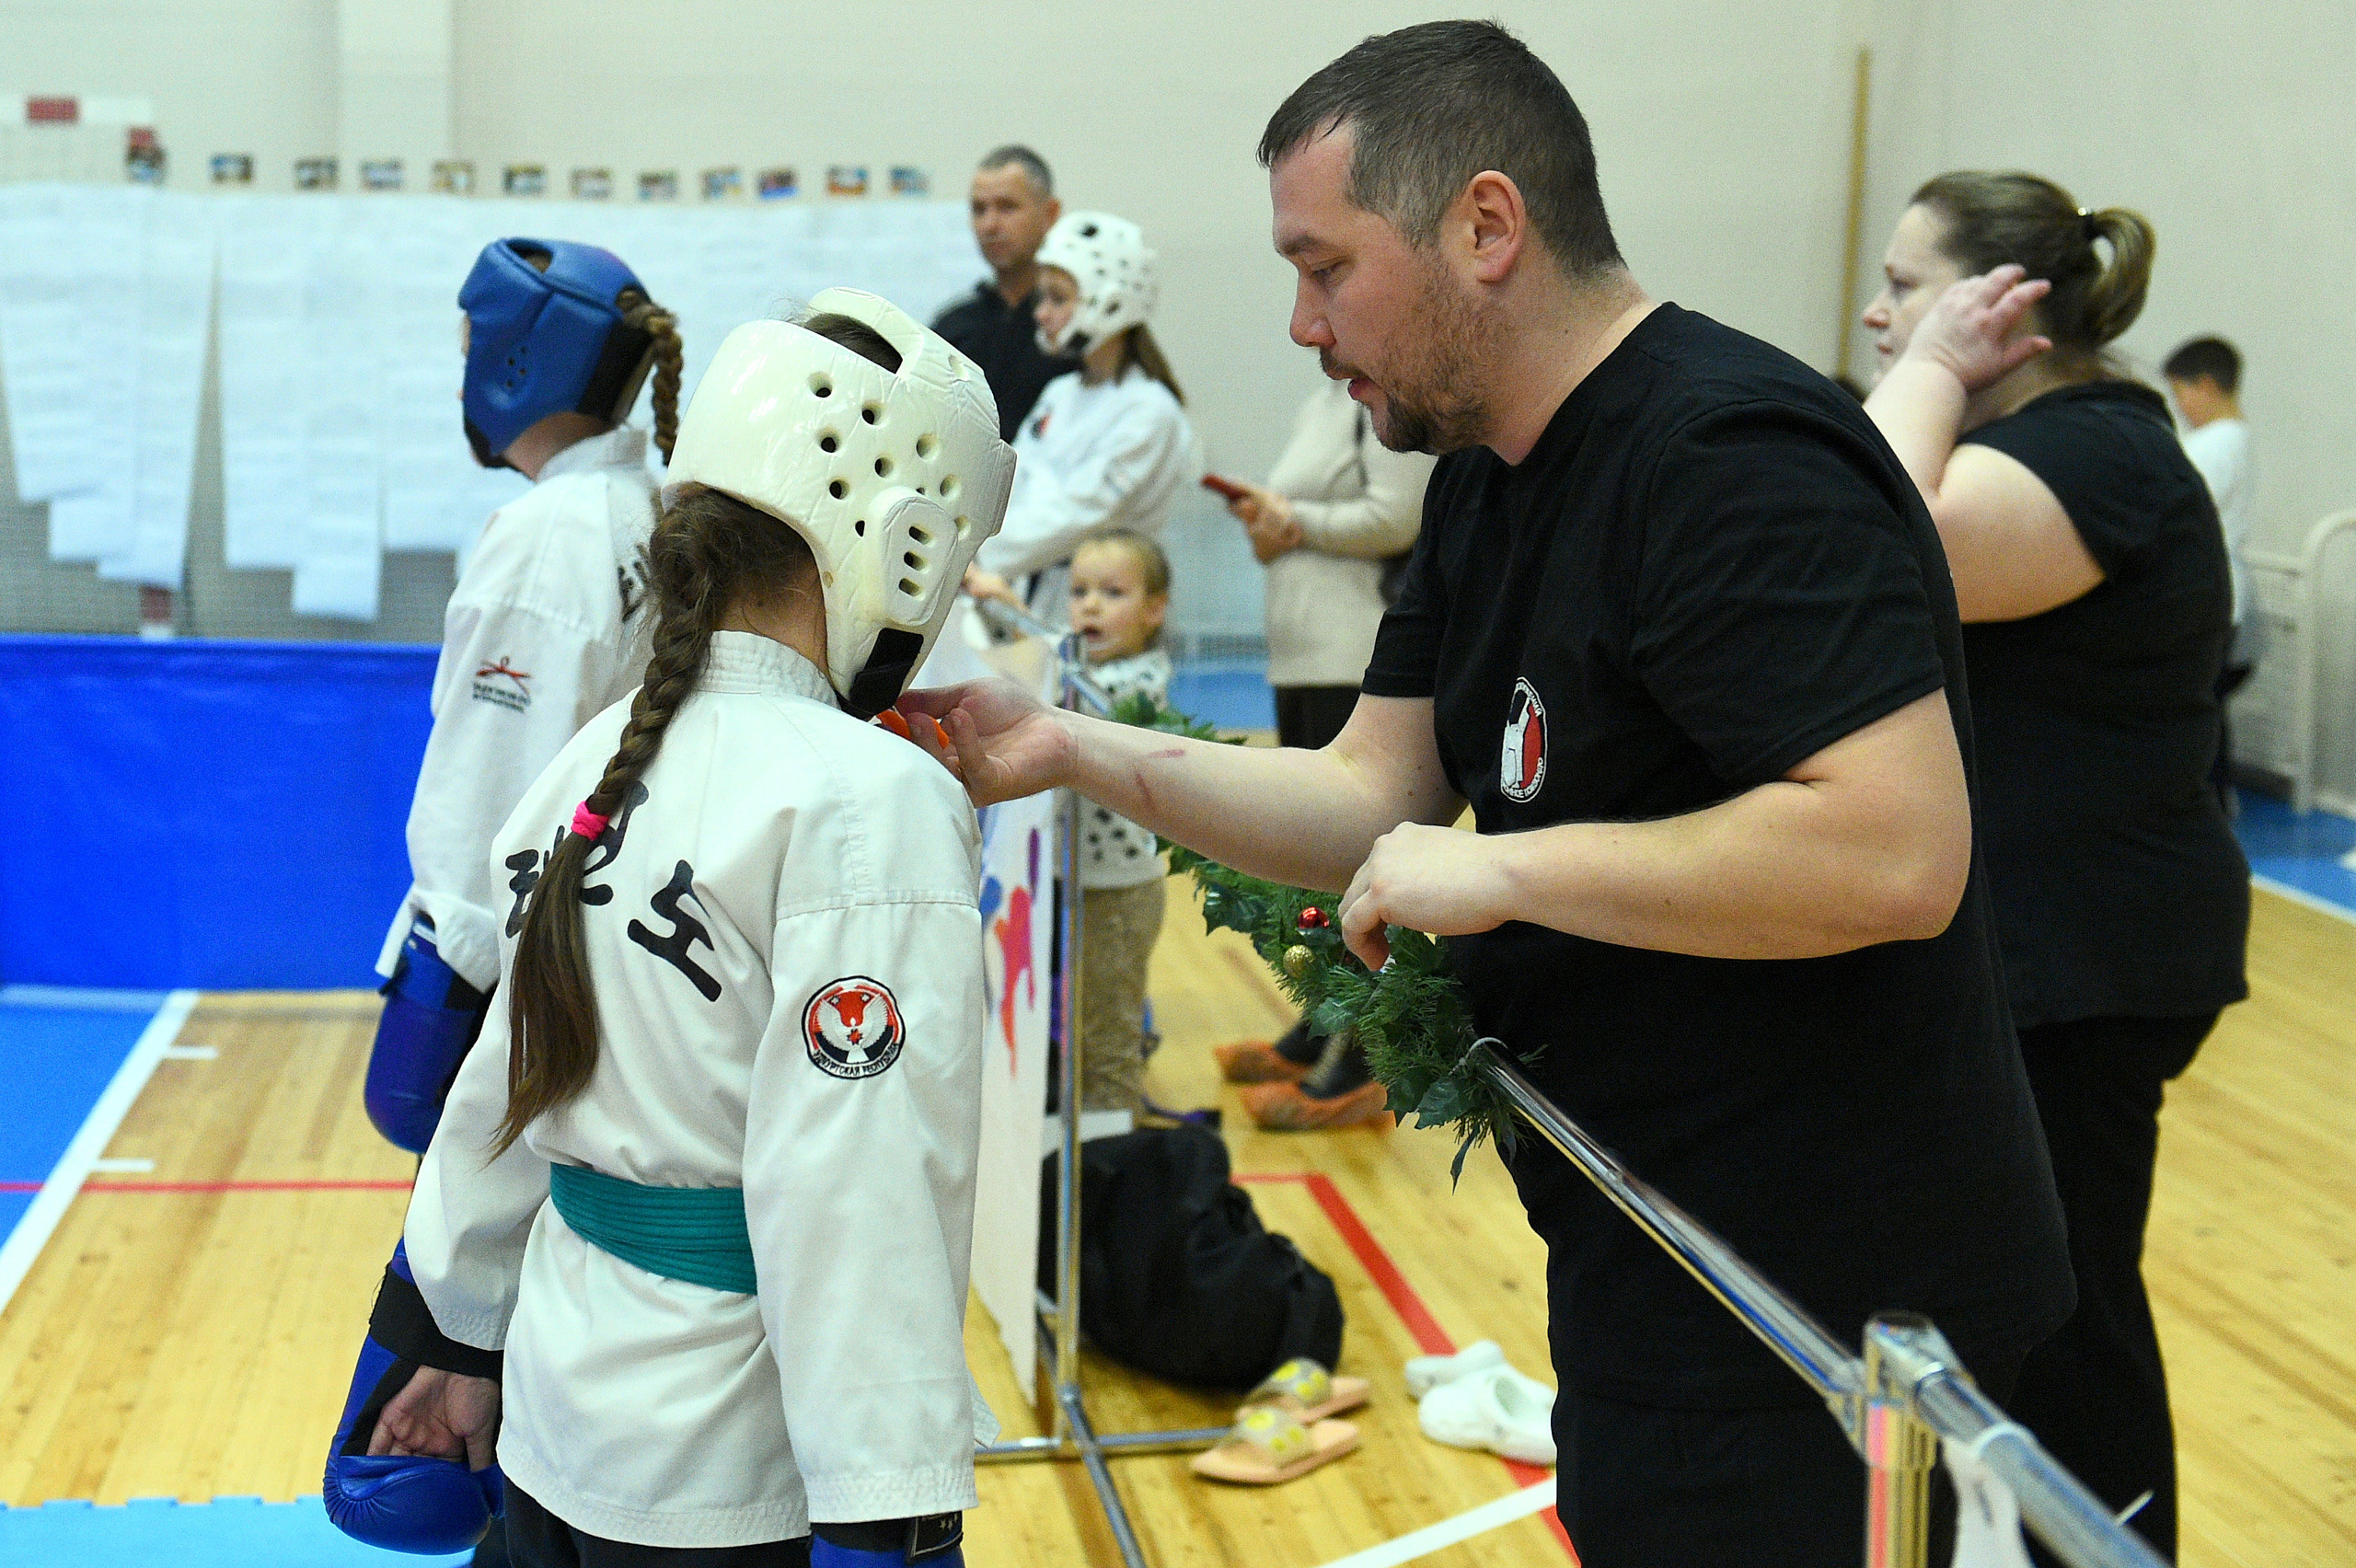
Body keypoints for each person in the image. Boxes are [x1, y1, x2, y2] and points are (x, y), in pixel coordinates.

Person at [906, 24, 2073, 1567]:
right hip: (1649, 1241)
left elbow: (1896, 849)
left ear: (1486, 225)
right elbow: (1363, 794)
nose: (1305, 324)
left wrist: (1512, 873)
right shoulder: (1485, 475)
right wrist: (1062, 744)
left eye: (1326, 267)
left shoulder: (1730, 456)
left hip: (1833, 1291)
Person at [322, 293, 1018, 1568]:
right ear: (907, 543)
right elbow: (864, 1196)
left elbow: (505, 1088)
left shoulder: (599, 754)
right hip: (730, 1463)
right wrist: (889, 1516)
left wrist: (446, 1335)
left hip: (555, 1415)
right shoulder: (869, 800)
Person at [1862, 172, 2251, 1562]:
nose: (1879, 314)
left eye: (1905, 286)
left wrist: (1927, 370)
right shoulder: (2038, 447)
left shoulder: (2098, 454)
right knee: (1996, 1310)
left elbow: (1865, 543)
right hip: (2032, 951)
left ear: (2002, 306)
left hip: (2089, 961)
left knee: (2062, 1315)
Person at [365, 237, 681, 1162]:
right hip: (606, 944)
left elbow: (493, 779)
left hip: (527, 961)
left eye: (472, 347)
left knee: (440, 1170)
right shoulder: (637, 507)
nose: (465, 372)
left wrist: (445, 971)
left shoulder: (555, 536)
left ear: (519, 359)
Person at [1212, 381, 1435, 1129]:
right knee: (1314, 863)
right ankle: (1324, 1023)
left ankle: (1369, 1060)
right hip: (1304, 657)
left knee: (1358, 864)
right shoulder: (1322, 401)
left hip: (1358, 657)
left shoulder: (1395, 393)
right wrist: (1269, 524)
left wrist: (1292, 521)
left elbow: (1398, 516)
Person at [962, 210, 1200, 622]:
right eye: (1042, 298)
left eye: (1058, 299)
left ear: (1109, 303)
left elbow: (1077, 514)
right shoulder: (1060, 393)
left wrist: (974, 557)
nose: (1041, 313)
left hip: (1110, 613)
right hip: (1034, 591)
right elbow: (1014, 483)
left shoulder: (1150, 411)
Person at [1063, 530, 1175, 1117]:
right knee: (1076, 1023)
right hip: (1078, 880)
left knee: (1109, 1031)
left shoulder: (1139, 683)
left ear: (1154, 610)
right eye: (1079, 591)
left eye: (1112, 593)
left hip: (1121, 890)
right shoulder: (1077, 670)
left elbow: (1074, 709)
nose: (1091, 606)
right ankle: (1086, 1133)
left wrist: (1007, 606)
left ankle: (1113, 1145)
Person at [2165, 335, 2259, 811]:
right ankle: (2217, 805)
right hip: (2220, 593)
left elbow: (2171, 509)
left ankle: (2212, 807)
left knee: (2198, 715)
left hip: (2209, 595)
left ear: (2205, 385)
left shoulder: (2216, 443)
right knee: (2207, 714)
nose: (2180, 407)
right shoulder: (2233, 438)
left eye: (2180, 393)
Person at [931, 145, 1078, 439]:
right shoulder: (951, 329)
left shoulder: (1077, 326)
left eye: (1007, 207)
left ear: (1050, 213)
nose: (990, 225)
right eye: (979, 210)